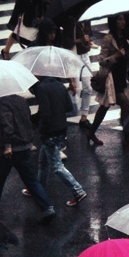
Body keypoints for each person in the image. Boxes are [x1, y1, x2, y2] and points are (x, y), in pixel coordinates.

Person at [0, 92, 57, 226]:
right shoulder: (21, 100)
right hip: (24, 147)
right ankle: (47, 208)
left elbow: (7, 125)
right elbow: (27, 120)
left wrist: (7, 146)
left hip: (10, 149)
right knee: (31, 180)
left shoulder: (3, 102)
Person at [30, 76, 87, 207]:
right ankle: (38, 188)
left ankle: (77, 190)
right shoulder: (59, 85)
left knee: (56, 166)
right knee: (43, 162)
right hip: (61, 128)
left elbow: (45, 113)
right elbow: (68, 107)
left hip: (50, 131)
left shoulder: (41, 88)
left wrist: (39, 127)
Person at [87, 13, 129, 150]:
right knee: (126, 105)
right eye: (120, 19)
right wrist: (116, 56)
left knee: (104, 107)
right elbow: (102, 60)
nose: (123, 22)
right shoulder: (108, 38)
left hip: (121, 77)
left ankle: (91, 132)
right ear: (114, 22)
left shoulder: (124, 37)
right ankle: (127, 139)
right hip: (112, 78)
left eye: (124, 19)